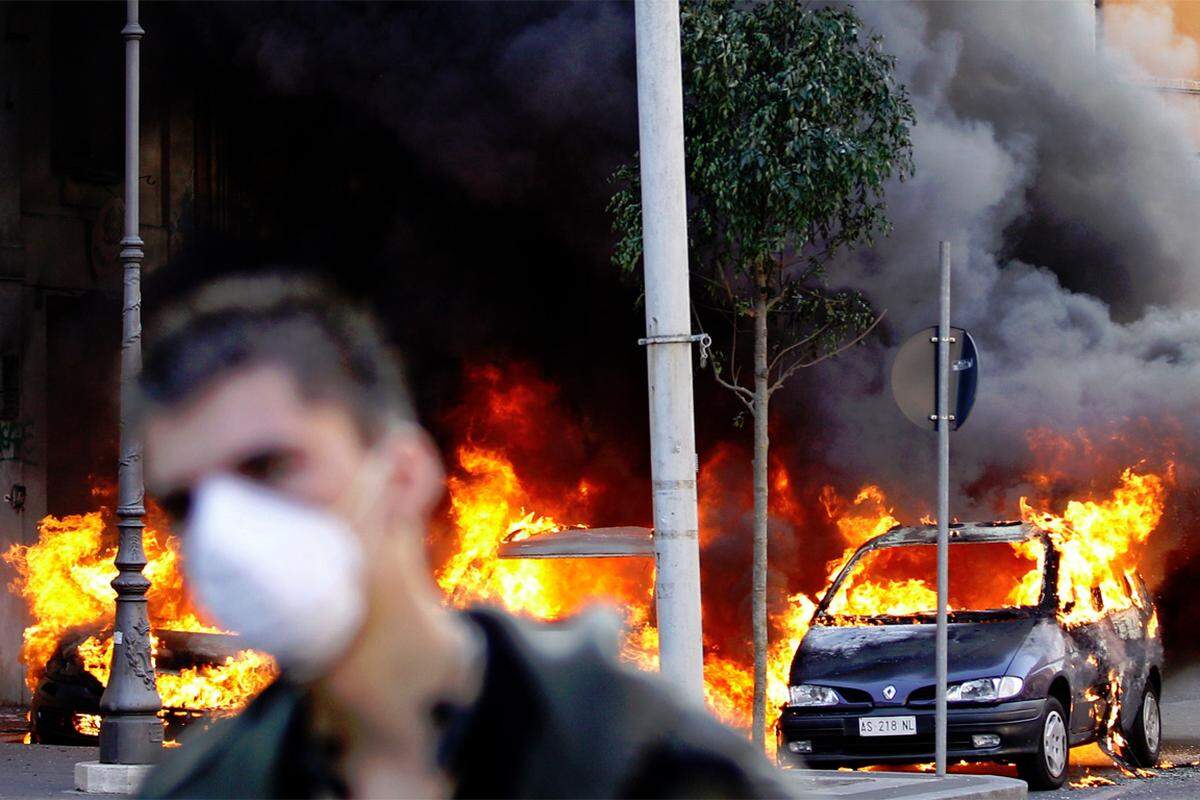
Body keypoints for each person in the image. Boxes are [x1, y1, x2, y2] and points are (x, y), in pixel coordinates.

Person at [134, 274, 787, 799]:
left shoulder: (652, 765)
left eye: (269, 466)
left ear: (404, 472)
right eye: (187, 502)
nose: (227, 528)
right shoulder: (201, 787)